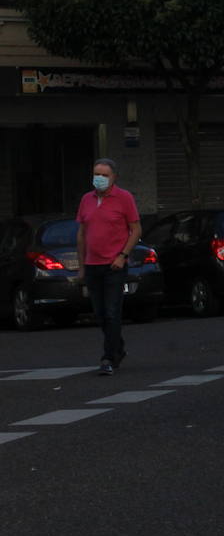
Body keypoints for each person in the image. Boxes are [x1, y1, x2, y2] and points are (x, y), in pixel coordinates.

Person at [76, 158, 141, 376]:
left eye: (104, 175)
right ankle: (118, 348)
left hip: (114, 265)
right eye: (97, 174)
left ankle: (109, 358)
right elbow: (82, 234)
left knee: (113, 312)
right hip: (93, 265)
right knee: (101, 313)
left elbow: (136, 230)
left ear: (114, 177)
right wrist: (82, 266)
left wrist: (122, 255)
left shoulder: (124, 198)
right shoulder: (86, 200)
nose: (100, 179)